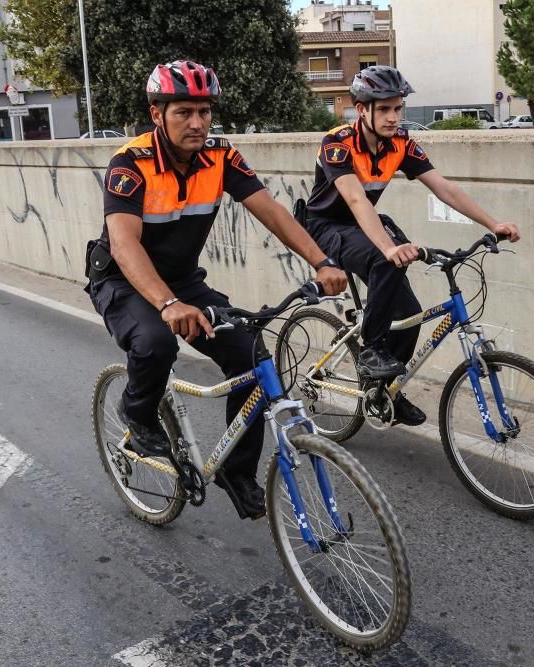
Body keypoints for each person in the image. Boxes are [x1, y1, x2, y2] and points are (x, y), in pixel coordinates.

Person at [86, 60, 347, 520]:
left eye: (204, 112)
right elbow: (125, 245)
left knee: (251, 356)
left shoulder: (221, 157)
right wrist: (166, 303)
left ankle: (235, 471)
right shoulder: (131, 164)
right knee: (154, 341)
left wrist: (322, 261)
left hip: (184, 280)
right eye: (183, 111)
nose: (197, 123)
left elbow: (274, 214)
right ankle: (138, 414)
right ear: (157, 114)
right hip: (123, 280)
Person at [304, 65, 520, 426]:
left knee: (408, 316)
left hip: (366, 225)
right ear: (362, 110)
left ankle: (385, 390)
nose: (393, 117)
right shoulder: (338, 143)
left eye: (398, 108)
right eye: (384, 109)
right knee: (386, 259)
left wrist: (493, 223)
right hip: (327, 227)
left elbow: (444, 187)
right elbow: (356, 201)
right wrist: (389, 248)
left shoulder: (401, 143)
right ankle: (370, 350)